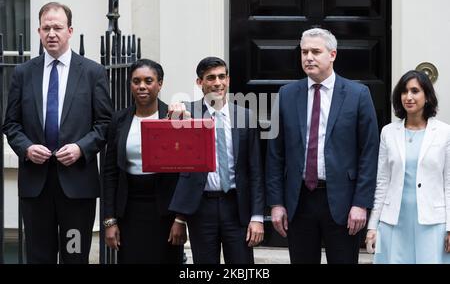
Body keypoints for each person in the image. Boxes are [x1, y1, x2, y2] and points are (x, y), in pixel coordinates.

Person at [2, 2, 113, 263]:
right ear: (39, 32)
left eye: (58, 28)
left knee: (74, 256)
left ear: (70, 31)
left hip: (77, 187)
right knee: (39, 257)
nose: (52, 33)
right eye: (46, 28)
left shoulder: (92, 72)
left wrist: (81, 148)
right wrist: (27, 148)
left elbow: (105, 123)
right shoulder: (23, 73)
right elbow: (11, 124)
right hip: (35, 186)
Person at [266, 28, 379, 264]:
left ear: (333, 54)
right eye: (304, 51)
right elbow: (275, 154)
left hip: (343, 202)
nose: (308, 57)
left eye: (316, 51)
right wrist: (276, 203)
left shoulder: (358, 94)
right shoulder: (287, 94)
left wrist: (361, 203)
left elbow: (369, 152)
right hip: (299, 202)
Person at [168, 56, 265, 264]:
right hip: (201, 208)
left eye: (222, 76)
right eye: (210, 78)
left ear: (228, 80)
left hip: (236, 207)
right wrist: (174, 114)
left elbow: (255, 170)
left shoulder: (246, 116)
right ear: (199, 82)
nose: (217, 83)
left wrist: (257, 216)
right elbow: (174, 161)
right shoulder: (187, 114)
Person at [103, 59, 186, 263]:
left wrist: (180, 218)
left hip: (166, 211)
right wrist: (109, 221)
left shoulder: (175, 118)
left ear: (160, 84)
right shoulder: (119, 121)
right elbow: (110, 173)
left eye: (148, 81)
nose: (142, 86)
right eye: (136, 81)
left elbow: (187, 172)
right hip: (129, 210)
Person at [365, 70, 450, 264]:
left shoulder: (445, 133)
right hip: (393, 221)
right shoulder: (388, 132)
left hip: (432, 223)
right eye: (404, 92)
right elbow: (382, 181)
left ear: (427, 96)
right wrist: (372, 226)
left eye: (415, 91)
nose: (408, 97)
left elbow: (449, 183)